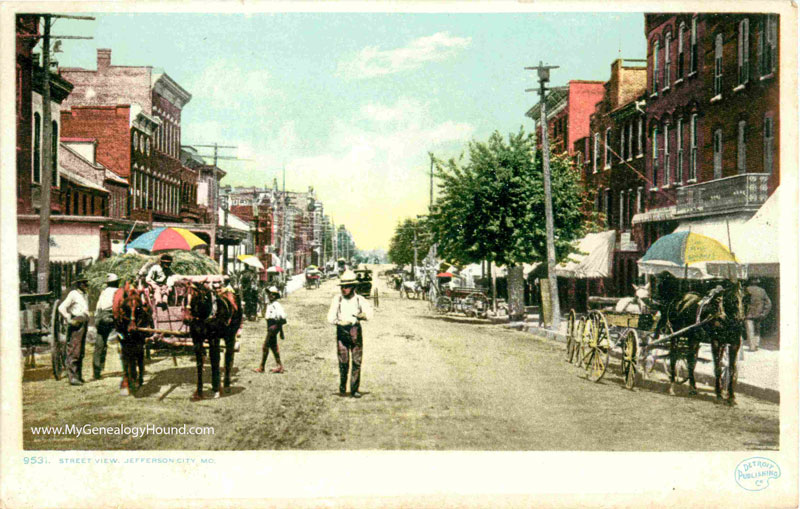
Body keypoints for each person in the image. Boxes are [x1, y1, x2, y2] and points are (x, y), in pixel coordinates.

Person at [327, 270, 373, 398]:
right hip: (342, 332)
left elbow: (369, 313)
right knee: (343, 361)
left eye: (346, 287)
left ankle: (354, 389)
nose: (344, 289)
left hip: (355, 331)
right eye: (342, 287)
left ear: (353, 287)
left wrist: (363, 315)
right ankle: (342, 385)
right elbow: (330, 316)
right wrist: (338, 322)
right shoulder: (338, 299)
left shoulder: (360, 300)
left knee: (357, 361)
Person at [58, 276, 90, 386]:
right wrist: (68, 318)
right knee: (74, 349)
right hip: (76, 322)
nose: (86, 285)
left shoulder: (84, 294)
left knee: (80, 350)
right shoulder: (73, 294)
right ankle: (72, 377)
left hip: (83, 322)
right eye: (84, 283)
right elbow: (61, 307)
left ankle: (78, 376)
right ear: (79, 284)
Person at [93, 273, 120, 380]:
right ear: (116, 283)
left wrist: (97, 320)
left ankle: (97, 371)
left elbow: (98, 307)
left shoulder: (103, 292)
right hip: (113, 315)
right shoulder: (118, 292)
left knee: (100, 343)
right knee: (125, 339)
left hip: (102, 316)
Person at [255, 286, 287, 374]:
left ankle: (262, 367)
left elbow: (283, 317)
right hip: (270, 326)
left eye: (273, 294)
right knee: (273, 347)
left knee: (265, 346)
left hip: (273, 327)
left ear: (276, 296)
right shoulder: (270, 304)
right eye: (269, 294)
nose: (270, 296)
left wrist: (278, 328)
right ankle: (279, 366)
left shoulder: (276, 305)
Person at [745, 281, 772, 352]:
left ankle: (752, 346)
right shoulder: (762, 291)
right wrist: (764, 312)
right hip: (758, 313)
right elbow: (768, 303)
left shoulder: (746, 289)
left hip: (748, 313)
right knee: (757, 329)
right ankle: (756, 345)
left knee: (750, 330)